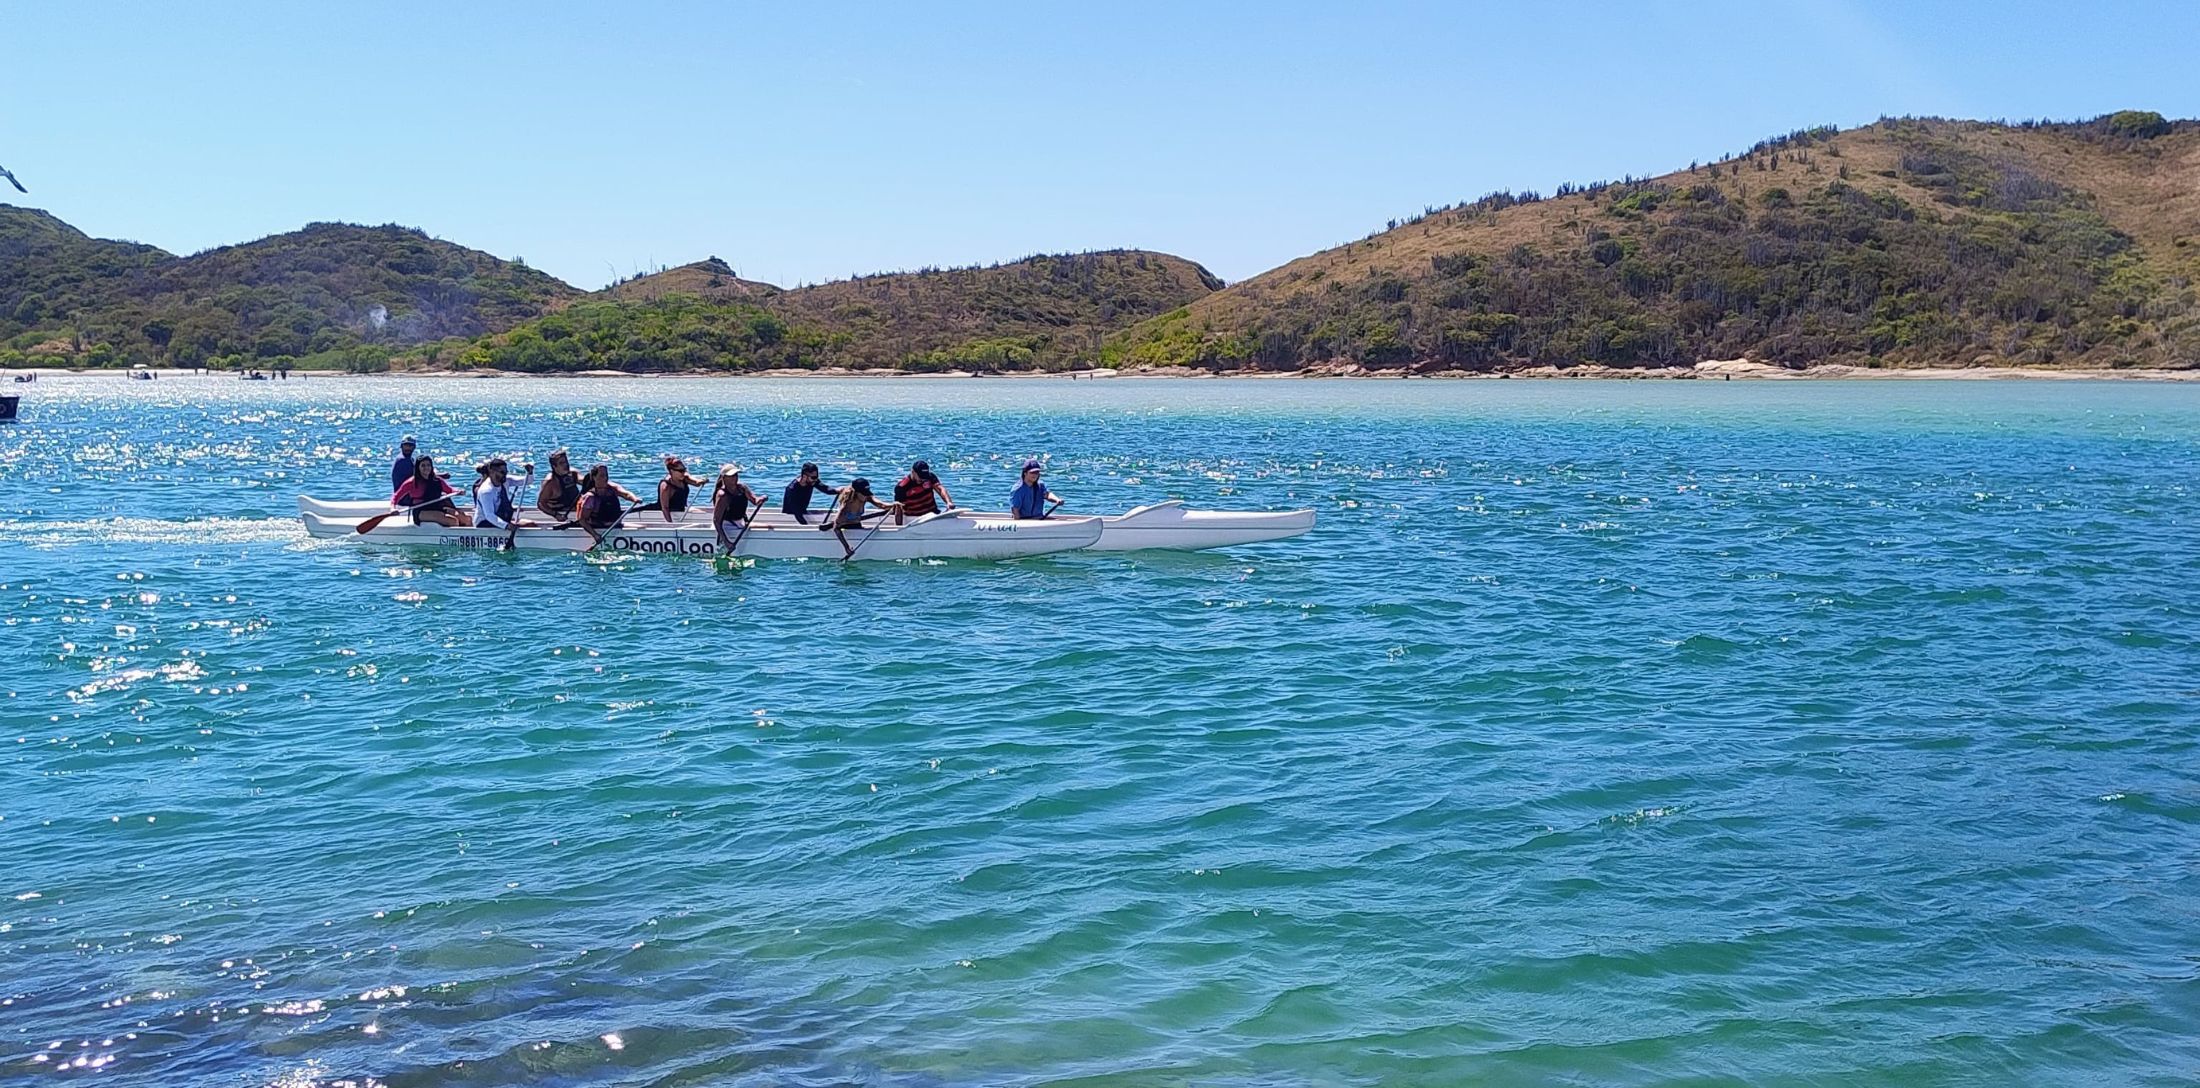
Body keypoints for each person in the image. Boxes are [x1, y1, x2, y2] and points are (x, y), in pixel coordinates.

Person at [820, 477, 900, 558]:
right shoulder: (846, 506)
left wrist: (893, 504)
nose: (865, 496)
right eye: (863, 493)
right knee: (836, 525)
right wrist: (846, 547)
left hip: (856, 523)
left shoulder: (866, 496)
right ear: (856, 493)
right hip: (846, 526)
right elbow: (836, 528)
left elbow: (881, 505)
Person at [392, 456, 465, 526]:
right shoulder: (411, 482)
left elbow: (450, 490)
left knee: (466, 518)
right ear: (418, 468)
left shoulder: (437, 480)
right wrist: (393, 508)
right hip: (420, 511)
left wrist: (458, 491)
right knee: (452, 521)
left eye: (428, 465)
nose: (426, 468)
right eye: (423, 466)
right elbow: (396, 496)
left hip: (436, 507)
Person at [472, 458, 534, 530]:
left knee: (530, 524)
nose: (505, 475)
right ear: (492, 472)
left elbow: (528, 481)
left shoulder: (506, 481)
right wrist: (507, 526)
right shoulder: (486, 491)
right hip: (484, 524)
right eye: (502, 472)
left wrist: (530, 472)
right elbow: (489, 515)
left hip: (500, 520)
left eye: (506, 472)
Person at [575, 465, 642, 531]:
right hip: (601, 529)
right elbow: (582, 520)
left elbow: (626, 494)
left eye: (606, 475)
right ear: (594, 477)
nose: (605, 478)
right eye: (602, 476)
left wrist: (634, 499)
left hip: (615, 526)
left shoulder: (612, 488)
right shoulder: (590, 497)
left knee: (642, 528)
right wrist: (596, 536)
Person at [711, 464, 765, 544]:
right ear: (724, 478)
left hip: (740, 523)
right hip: (726, 527)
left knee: (769, 527)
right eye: (732, 476)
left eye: (736, 475)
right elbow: (716, 521)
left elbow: (754, 501)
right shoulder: (722, 495)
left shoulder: (742, 488)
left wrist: (761, 498)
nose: (735, 478)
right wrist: (727, 542)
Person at [892, 460, 954, 524]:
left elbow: (940, 489)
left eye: (924, 476)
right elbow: (898, 509)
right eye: (920, 476)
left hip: (932, 514)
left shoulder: (930, 477)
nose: (923, 479)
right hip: (914, 519)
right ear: (913, 472)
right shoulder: (902, 487)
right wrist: (899, 528)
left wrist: (948, 502)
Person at [657, 456, 708, 523]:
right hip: (670, 512)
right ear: (672, 471)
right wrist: (670, 525)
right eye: (681, 471)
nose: (683, 473)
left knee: (704, 514)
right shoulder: (666, 486)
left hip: (682, 509)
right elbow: (665, 508)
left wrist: (702, 481)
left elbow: (696, 483)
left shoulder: (684, 477)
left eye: (684, 470)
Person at [536, 450, 584, 522]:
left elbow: (585, 481)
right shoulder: (550, 482)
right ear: (554, 466)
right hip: (561, 515)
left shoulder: (573, 474)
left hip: (576, 511)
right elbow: (541, 504)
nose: (566, 465)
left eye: (566, 461)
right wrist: (556, 515)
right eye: (561, 463)